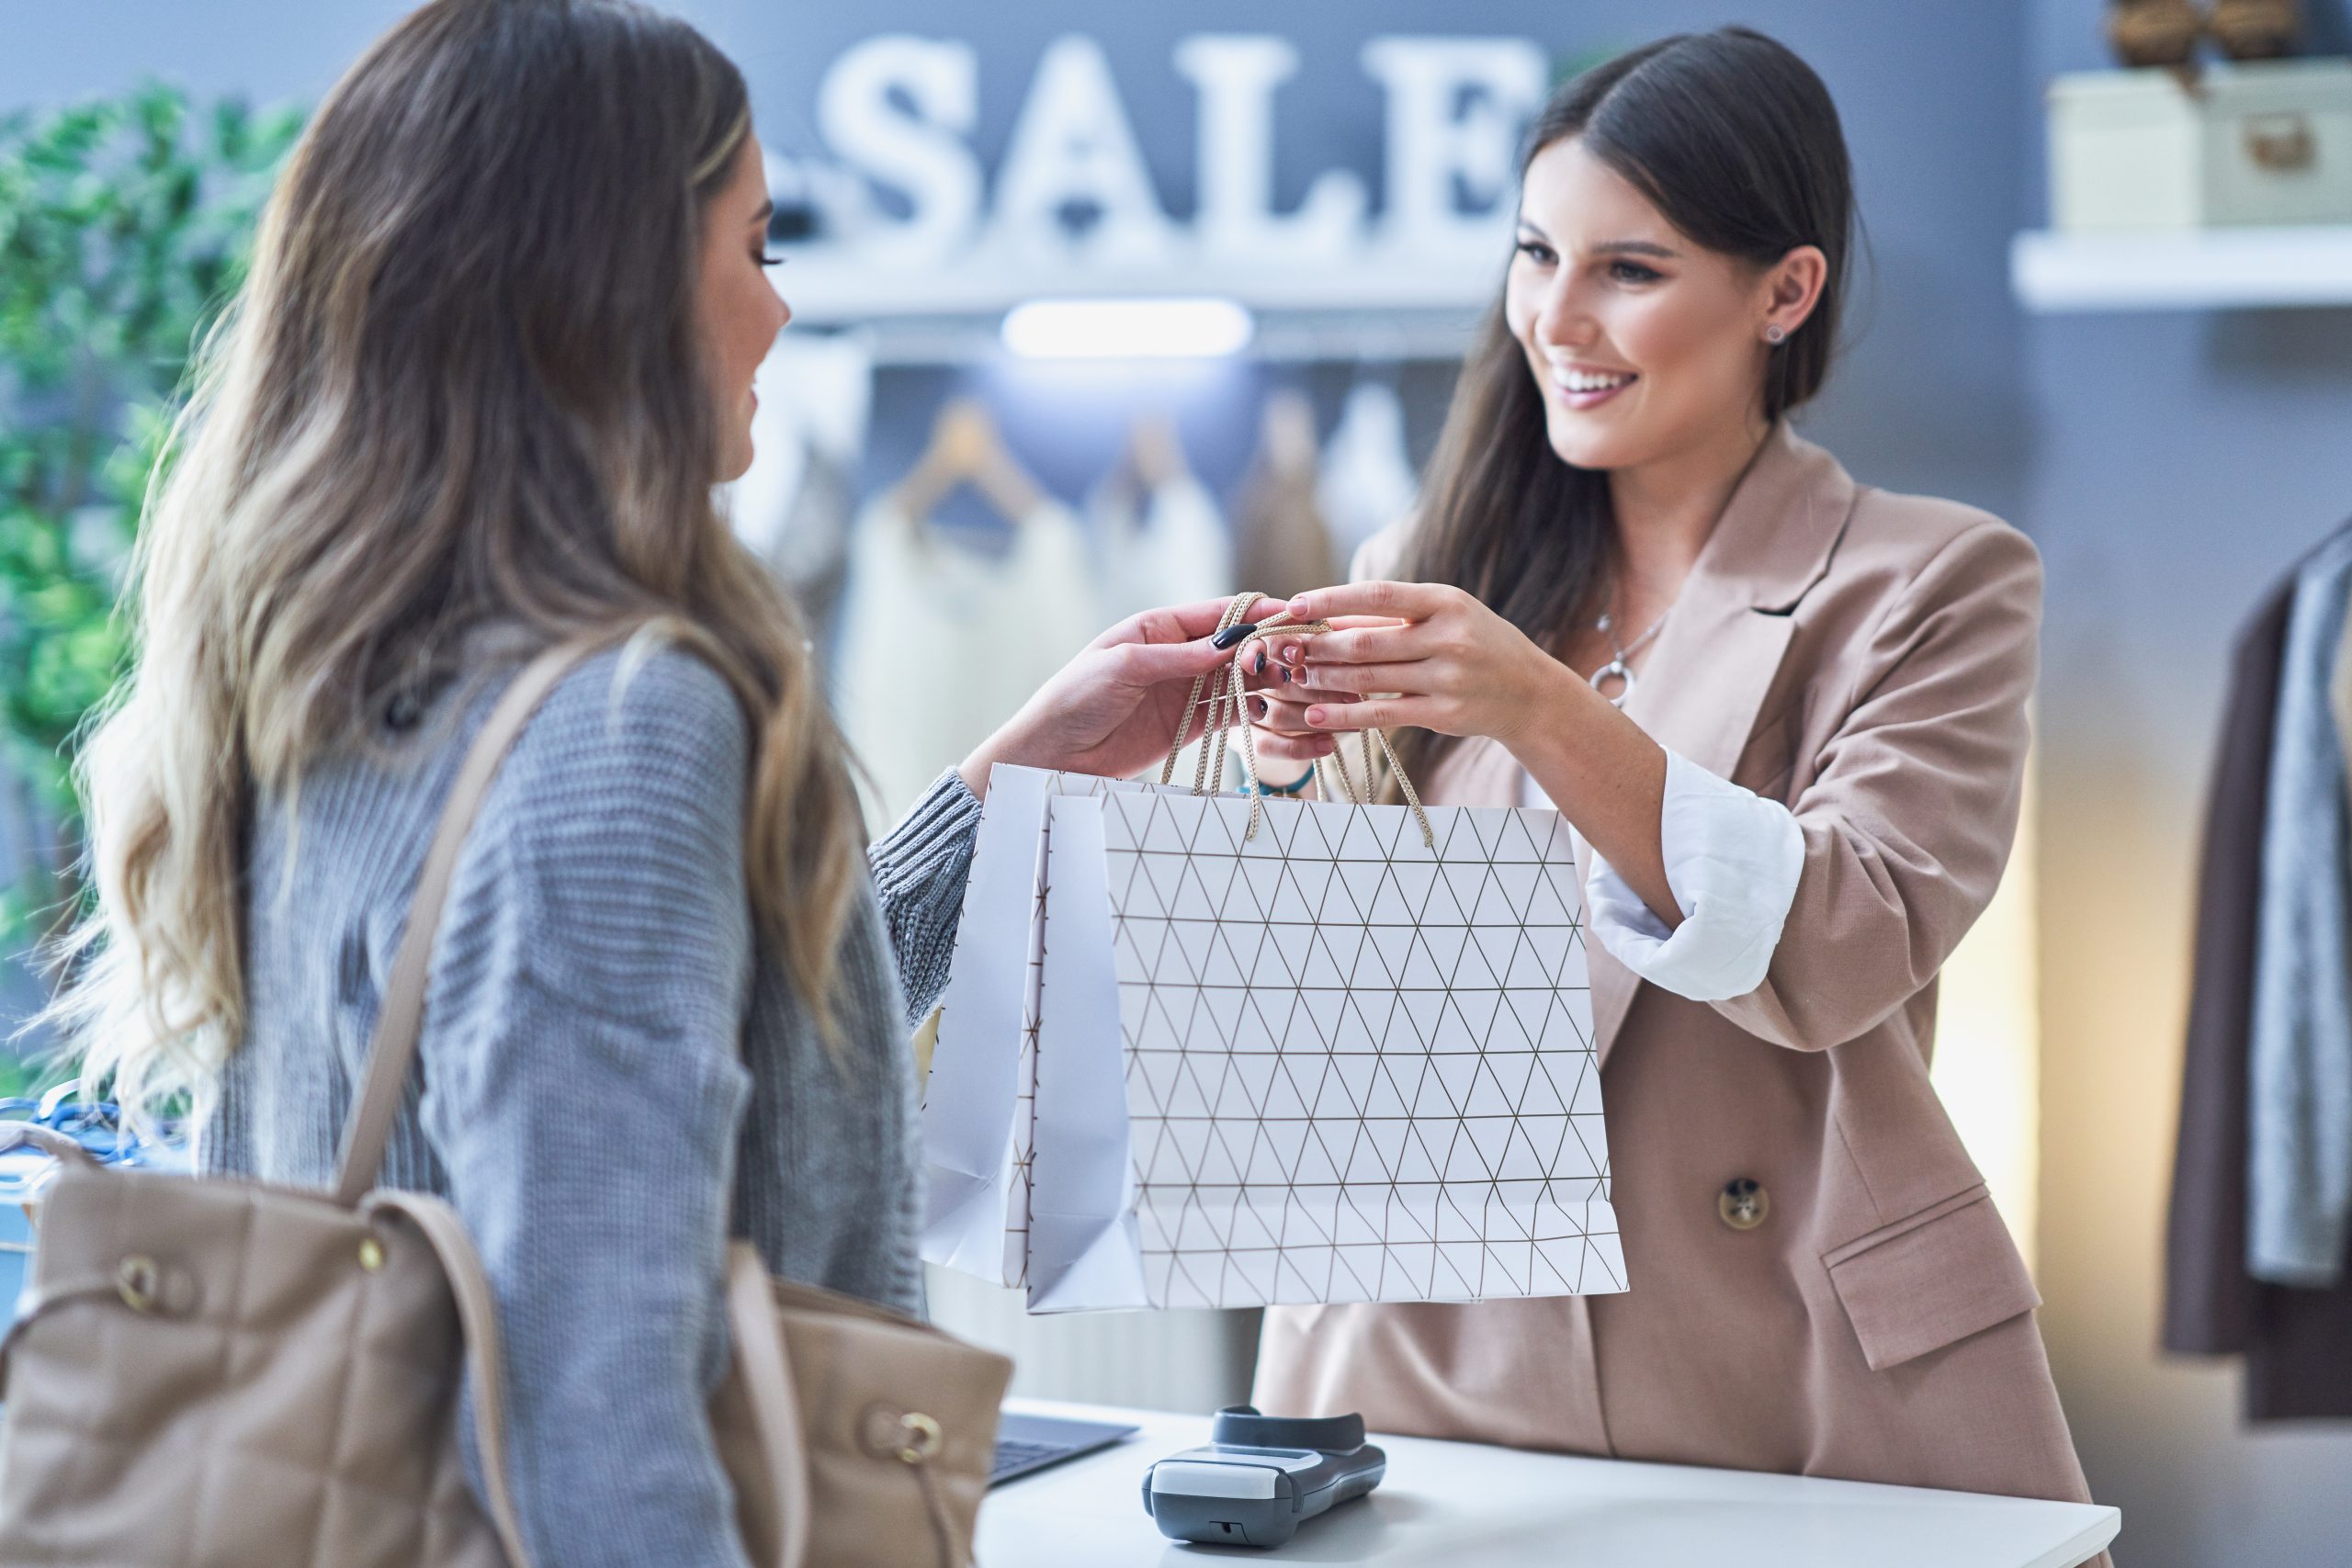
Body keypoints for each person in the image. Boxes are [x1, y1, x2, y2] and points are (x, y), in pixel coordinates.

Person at [48, 3, 1269, 1563]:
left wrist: (1006, 788)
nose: (777, 315)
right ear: (604, 292)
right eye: (755, 248)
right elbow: (602, 1413)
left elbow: (690, 1059)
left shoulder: (328, 659)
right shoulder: (619, 721)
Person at [1242, 28, 2101, 1526]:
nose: (1555, 320)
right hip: (1431, 1366)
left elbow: (1846, 945)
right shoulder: (1418, 571)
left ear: (1786, 292)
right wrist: (1276, 782)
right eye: (1533, 254)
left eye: (1629, 271)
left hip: (1795, 1380)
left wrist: (1538, 707)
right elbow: (1330, 1007)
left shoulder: (1934, 581)